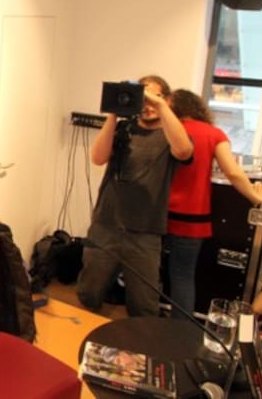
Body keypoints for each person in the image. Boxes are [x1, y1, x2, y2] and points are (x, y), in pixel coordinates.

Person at [77, 75, 193, 317]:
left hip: (146, 231)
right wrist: (113, 113)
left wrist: (160, 106)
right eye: (143, 97)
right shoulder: (123, 130)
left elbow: (183, 151)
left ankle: (141, 350)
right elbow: (98, 158)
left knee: (144, 304)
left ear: (167, 100)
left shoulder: (172, 134)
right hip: (106, 224)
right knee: (89, 291)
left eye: (155, 98)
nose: (148, 105)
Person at [165, 89, 262, 320]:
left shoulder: (167, 131)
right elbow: (232, 172)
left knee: (152, 271)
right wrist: (255, 196)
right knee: (182, 275)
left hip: (157, 215)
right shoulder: (214, 134)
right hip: (192, 219)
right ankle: (179, 332)